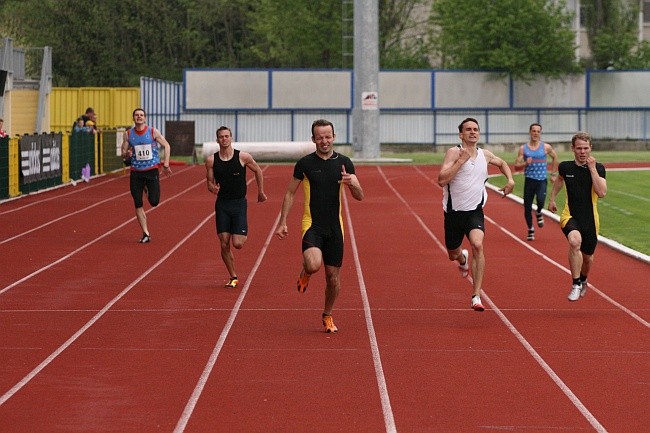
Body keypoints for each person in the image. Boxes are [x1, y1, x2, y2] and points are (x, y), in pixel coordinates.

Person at [275, 119, 364, 333]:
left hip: (335, 228)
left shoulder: (344, 163)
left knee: (333, 278)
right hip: (312, 225)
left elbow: (360, 196)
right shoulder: (305, 164)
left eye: (327, 136)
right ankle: (306, 272)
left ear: (334, 137)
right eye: (320, 137)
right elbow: (289, 192)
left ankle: (327, 314)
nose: (324, 141)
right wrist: (283, 221)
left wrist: (352, 183)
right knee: (314, 265)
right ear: (313, 139)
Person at [437, 118, 515, 312]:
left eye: (475, 129)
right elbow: (441, 180)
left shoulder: (485, 154)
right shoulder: (454, 153)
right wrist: (460, 162)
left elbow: (503, 162)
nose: (472, 132)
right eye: (468, 130)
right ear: (461, 134)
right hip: (454, 213)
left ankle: (476, 296)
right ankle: (462, 260)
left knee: (478, 245)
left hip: (475, 212)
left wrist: (511, 180)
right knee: (452, 254)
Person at [205, 126, 267, 288]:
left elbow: (258, 171)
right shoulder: (211, 160)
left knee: (238, 243)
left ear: (231, 138)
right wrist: (212, 188)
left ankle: (240, 229)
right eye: (221, 137)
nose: (224, 139)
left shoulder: (243, 157)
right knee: (224, 242)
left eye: (226, 136)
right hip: (222, 204)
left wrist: (260, 192)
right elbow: (209, 183)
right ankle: (233, 276)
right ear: (217, 140)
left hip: (239, 203)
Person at [548, 131, 607, 302]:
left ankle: (583, 279)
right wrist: (552, 199)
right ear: (572, 148)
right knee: (574, 242)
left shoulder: (599, 168)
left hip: (590, 219)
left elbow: (601, 192)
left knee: (587, 258)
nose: (582, 152)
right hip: (570, 215)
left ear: (591, 148)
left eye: (585, 148)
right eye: (579, 148)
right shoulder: (566, 167)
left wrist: (592, 169)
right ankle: (575, 284)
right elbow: (559, 180)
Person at [120, 108, 172, 243]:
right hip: (136, 172)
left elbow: (167, 145)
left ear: (145, 118)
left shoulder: (153, 132)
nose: (139, 117)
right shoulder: (128, 134)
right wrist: (127, 154)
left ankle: (147, 189)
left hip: (151, 170)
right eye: (137, 115)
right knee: (138, 203)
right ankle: (146, 233)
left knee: (154, 202)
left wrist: (166, 163)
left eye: (141, 115)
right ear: (133, 118)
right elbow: (124, 153)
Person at [514, 123, 558, 240]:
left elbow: (555, 158)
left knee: (540, 200)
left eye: (538, 131)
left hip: (541, 180)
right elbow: (516, 166)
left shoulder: (545, 147)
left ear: (540, 133)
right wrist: (525, 163)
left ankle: (539, 212)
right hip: (529, 181)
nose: (535, 133)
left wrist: (553, 174)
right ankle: (530, 229)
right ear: (530, 132)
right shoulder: (523, 149)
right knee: (527, 207)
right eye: (533, 131)